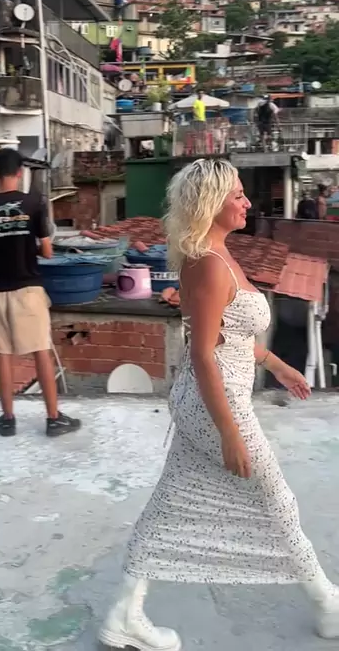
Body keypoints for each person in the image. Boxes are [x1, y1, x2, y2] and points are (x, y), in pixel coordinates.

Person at [100, 159, 339, 651]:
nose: (248, 202)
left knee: (170, 503)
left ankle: (124, 614)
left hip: (209, 399)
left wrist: (277, 364)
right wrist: (229, 431)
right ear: (211, 204)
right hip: (215, 404)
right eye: (237, 195)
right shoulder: (208, 264)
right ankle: (328, 605)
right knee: (276, 501)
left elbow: (234, 338)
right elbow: (204, 353)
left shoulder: (218, 254)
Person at [0, 147, 81, 439]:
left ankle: (7, 419)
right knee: (41, 350)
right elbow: (47, 251)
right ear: (20, 172)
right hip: (28, 289)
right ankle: (53, 419)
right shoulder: (34, 203)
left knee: (2, 353)